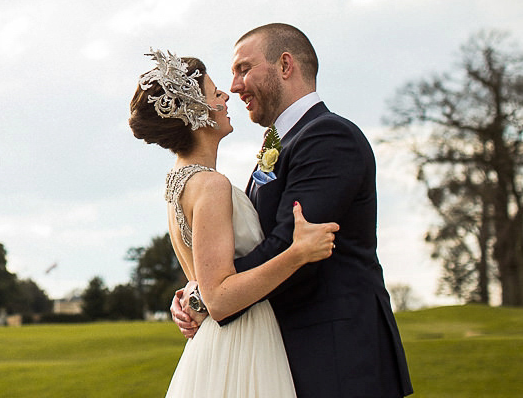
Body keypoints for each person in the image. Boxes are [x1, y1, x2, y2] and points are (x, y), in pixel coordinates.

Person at [171, 24, 413, 397]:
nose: (234, 86)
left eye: (243, 69)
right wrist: (198, 290)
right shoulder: (282, 143)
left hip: (337, 356)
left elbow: (290, 243)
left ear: (285, 65)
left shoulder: (329, 136)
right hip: (289, 352)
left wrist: (209, 296)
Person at [130, 48, 340, 398]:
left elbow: (204, 278)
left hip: (218, 343)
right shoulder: (211, 185)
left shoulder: (178, 181)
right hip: (241, 341)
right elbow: (221, 299)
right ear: (197, 114)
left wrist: (191, 295)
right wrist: (299, 252)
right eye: (215, 94)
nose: (227, 95)